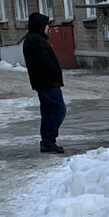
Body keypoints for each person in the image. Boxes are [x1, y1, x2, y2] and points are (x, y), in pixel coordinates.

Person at [22, 11, 66, 154]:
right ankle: (49, 140)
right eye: (46, 25)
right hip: (48, 82)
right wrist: (56, 73)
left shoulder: (32, 40)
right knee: (59, 109)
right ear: (40, 26)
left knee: (48, 111)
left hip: (42, 82)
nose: (48, 28)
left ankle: (46, 141)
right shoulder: (37, 41)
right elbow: (46, 62)